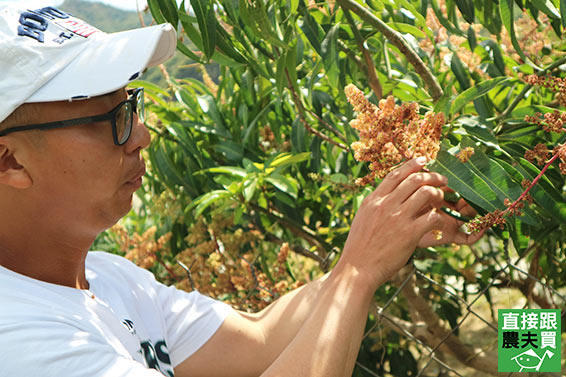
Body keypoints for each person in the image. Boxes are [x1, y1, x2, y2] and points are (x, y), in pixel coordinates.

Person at [0, 4, 482, 377]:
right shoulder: (21, 340)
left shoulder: (110, 281)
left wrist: (384, 227)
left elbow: (259, 335)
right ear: (10, 160)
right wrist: (358, 271)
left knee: (544, 340)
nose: (142, 135)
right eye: (112, 118)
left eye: (133, 105)